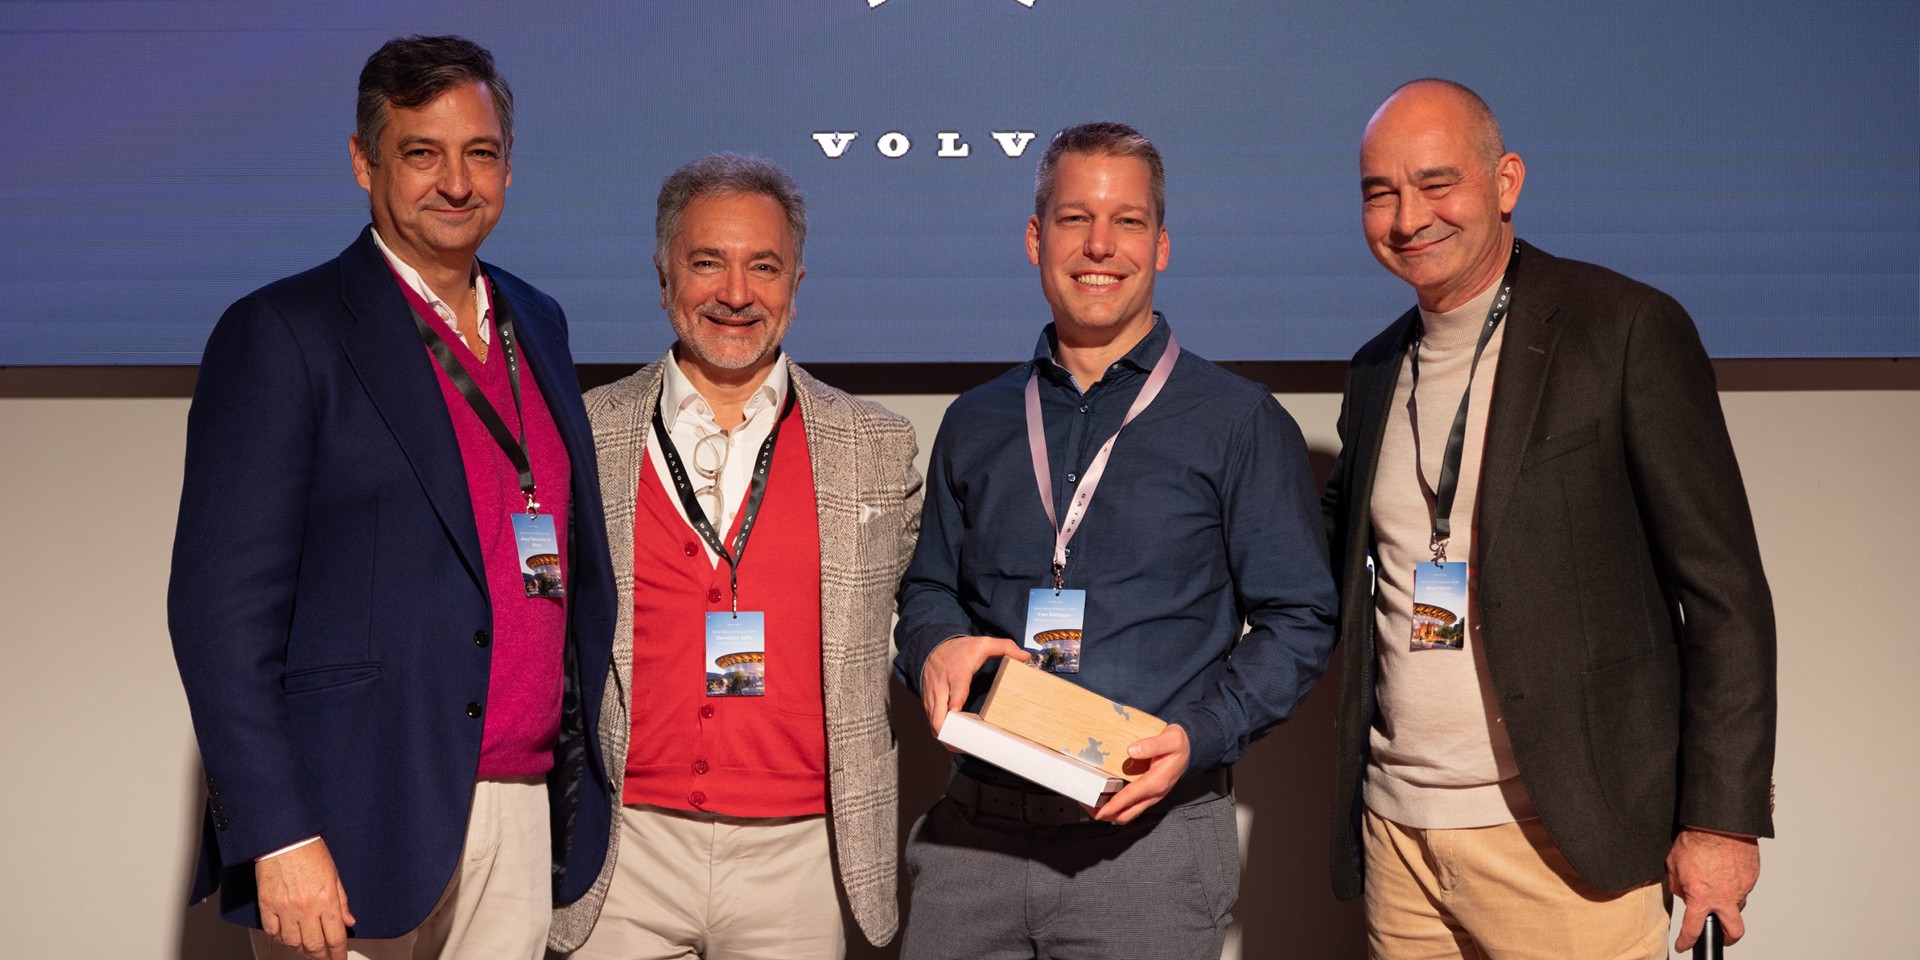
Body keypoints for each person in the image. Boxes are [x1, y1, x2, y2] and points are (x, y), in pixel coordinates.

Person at [167, 35, 616, 960]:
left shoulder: (538, 320)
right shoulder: (283, 332)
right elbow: (217, 614)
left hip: (519, 804)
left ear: (508, 165)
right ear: (364, 161)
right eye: (422, 153)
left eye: (479, 152)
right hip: (347, 823)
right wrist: (278, 835)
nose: (455, 182)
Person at [1324, 78, 1776, 958]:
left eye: (1436, 183)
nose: (1408, 218)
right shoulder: (1376, 368)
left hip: (1566, 846)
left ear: (1506, 182)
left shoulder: (1624, 329)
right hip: (1400, 838)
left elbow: (1725, 595)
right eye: (1381, 193)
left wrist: (1722, 821)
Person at [892, 122, 1338, 960]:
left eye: (1127, 221)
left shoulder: (1238, 421)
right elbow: (928, 591)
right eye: (1074, 219)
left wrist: (1201, 733)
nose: (1100, 246)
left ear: (1160, 245)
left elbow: (1301, 617)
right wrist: (935, 646)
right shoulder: (975, 420)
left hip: (1148, 849)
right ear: (1036, 238)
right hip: (973, 845)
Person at [552, 153, 922, 959]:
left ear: (795, 283)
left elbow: (929, 607)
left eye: (763, 267)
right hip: (624, 848)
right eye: (706, 263)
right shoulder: (586, 432)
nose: (735, 293)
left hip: (801, 858)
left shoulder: (877, 446)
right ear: (663, 277)